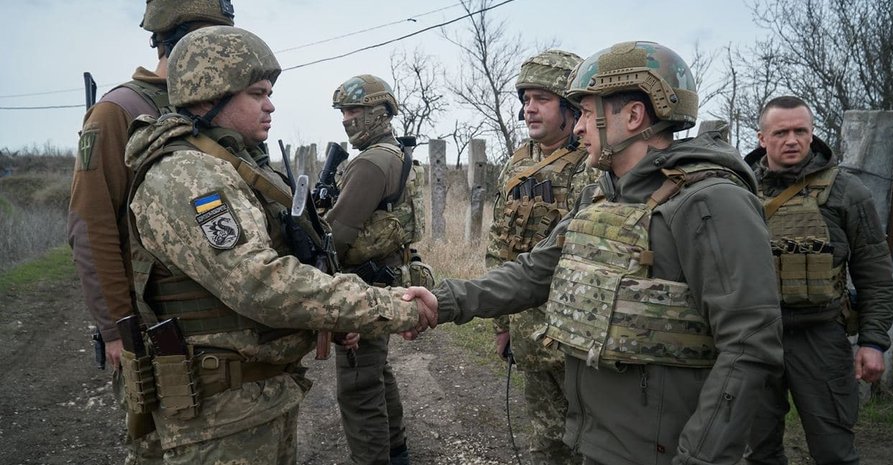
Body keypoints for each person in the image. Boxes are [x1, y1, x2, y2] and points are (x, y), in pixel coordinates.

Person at [404, 40, 784, 465]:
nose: (579, 127)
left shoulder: (711, 202)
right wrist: (445, 300)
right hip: (598, 441)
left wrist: (701, 457)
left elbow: (750, 346)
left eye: (586, 112)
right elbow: (534, 273)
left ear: (634, 116)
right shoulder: (601, 197)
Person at [123, 26, 433, 465]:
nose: (271, 105)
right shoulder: (188, 176)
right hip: (217, 418)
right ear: (213, 94)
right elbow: (261, 282)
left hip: (248, 400)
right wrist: (393, 307)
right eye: (258, 93)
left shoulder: (227, 165)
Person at [67, 0, 234, 462]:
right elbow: (91, 225)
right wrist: (116, 328)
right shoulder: (118, 111)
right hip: (155, 328)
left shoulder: (214, 105)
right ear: (176, 39)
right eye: (211, 38)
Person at [742, 96, 893, 465]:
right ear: (762, 138)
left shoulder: (847, 192)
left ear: (813, 135)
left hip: (821, 337)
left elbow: (874, 272)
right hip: (755, 336)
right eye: (781, 132)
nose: (792, 140)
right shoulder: (738, 190)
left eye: (801, 131)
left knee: (834, 451)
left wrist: (873, 342)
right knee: (757, 450)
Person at [487, 49, 590, 465]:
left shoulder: (593, 165)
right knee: (546, 440)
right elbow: (498, 247)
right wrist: (501, 322)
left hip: (577, 334)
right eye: (526, 99)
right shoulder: (516, 165)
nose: (530, 108)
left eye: (542, 99)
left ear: (570, 107)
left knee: (591, 438)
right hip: (529, 328)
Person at [325, 74, 426, 465]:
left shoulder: (370, 162)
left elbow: (336, 236)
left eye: (354, 110)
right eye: (343, 112)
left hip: (362, 285)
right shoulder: (396, 153)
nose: (347, 119)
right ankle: (396, 450)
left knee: (357, 386)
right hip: (382, 278)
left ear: (380, 112)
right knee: (377, 374)